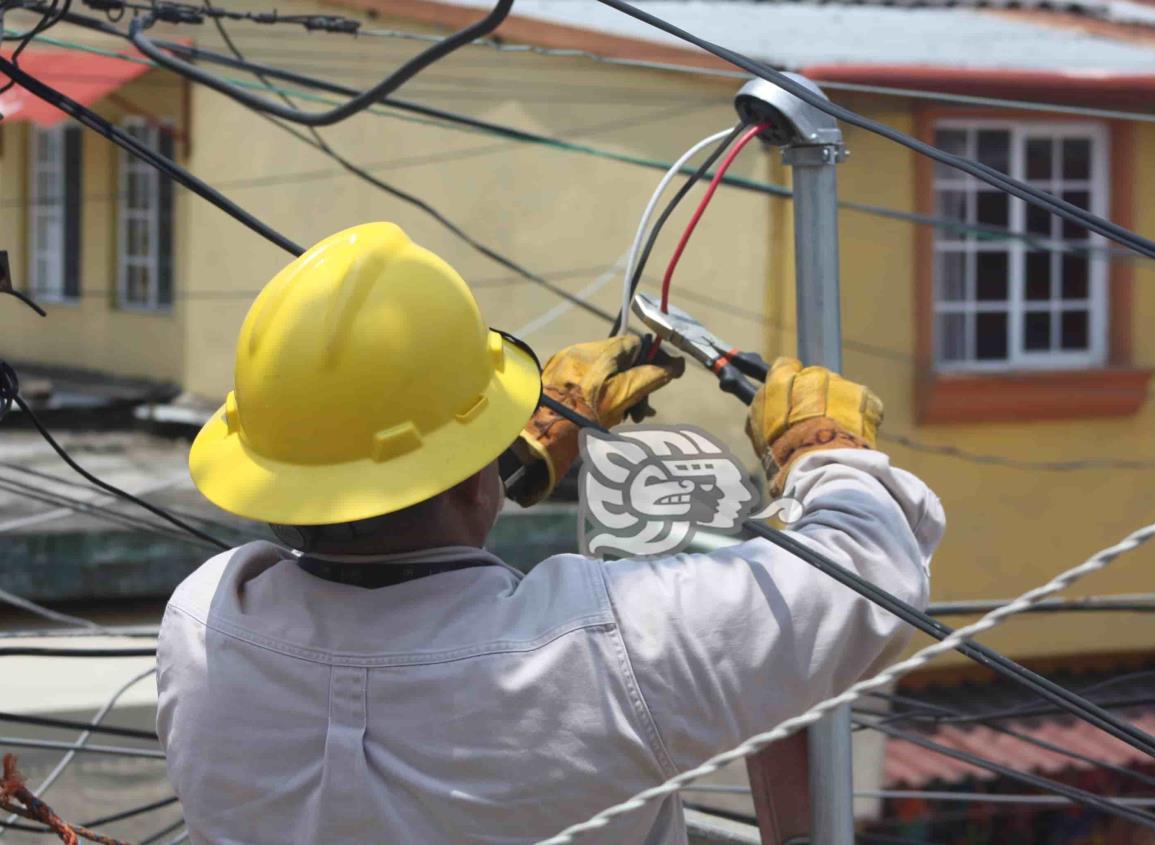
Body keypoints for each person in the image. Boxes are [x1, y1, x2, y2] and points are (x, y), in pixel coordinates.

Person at [156, 222, 944, 844]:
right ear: (470, 475)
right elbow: (867, 566)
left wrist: (503, 457)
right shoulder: (607, 646)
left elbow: (380, 523)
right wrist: (819, 447)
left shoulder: (202, 622)